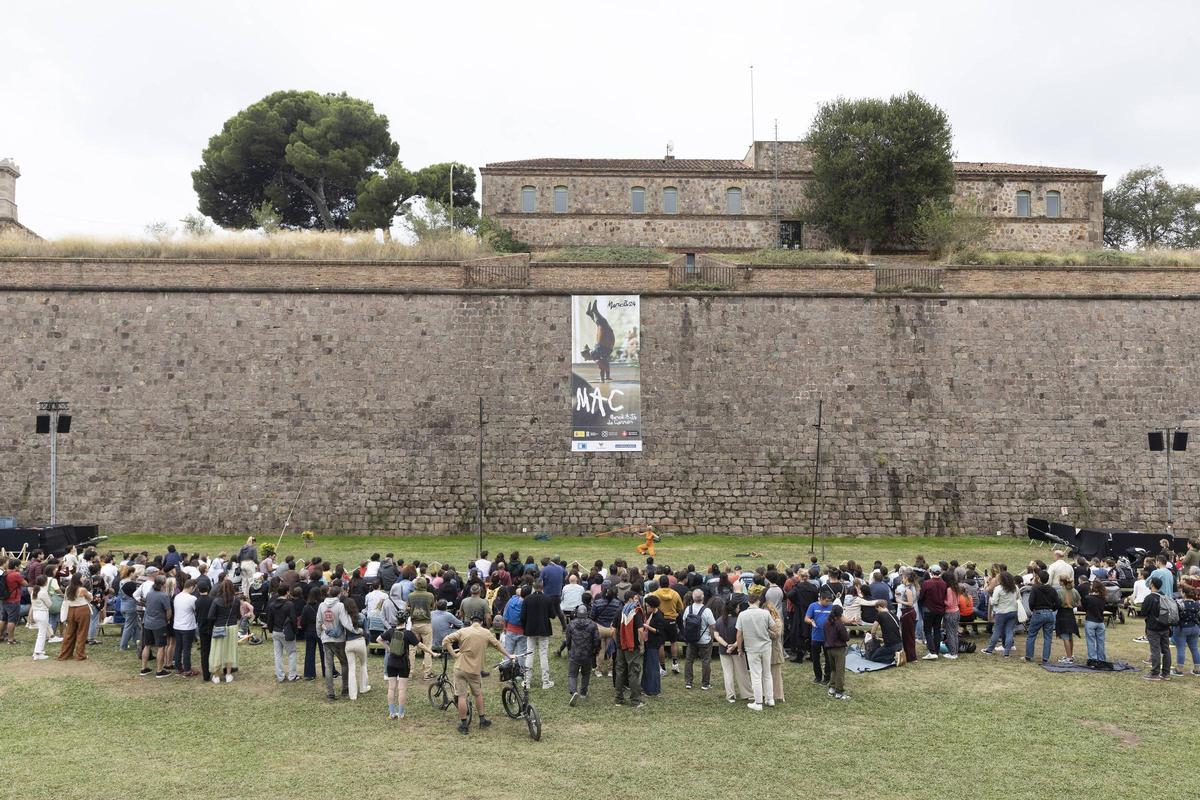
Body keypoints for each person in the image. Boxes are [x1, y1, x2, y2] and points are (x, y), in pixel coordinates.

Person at [442, 610, 510, 735]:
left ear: (471, 621)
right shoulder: (486, 633)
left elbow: (446, 640)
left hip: (460, 668)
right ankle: (482, 719)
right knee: (478, 694)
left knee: (462, 696)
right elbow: (497, 645)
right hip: (474, 670)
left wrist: (453, 654)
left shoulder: (463, 631)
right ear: (482, 622)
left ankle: (463, 724)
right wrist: (509, 655)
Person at [380, 610, 434, 719]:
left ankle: (391, 712)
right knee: (402, 689)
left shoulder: (390, 631)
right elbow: (421, 645)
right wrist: (432, 653)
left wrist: (388, 648)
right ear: (405, 621)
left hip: (391, 663)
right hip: (403, 663)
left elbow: (379, 639)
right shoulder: (408, 634)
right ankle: (400, 713)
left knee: (391, 688)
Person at [735, 592, 778, 711]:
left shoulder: (742, 615)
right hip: (765, 646)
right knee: (767, 673)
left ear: (748, 602)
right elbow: (774, 628)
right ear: (758, 601)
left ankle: (758, 702)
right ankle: (770, 699)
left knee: (756, 675)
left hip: (752, 648)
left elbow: (739, 634)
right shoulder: (765, 613)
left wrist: (739, 648)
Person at [318, 587, 355, 699]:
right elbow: (345, 622)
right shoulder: (340, 606)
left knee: (328, 666)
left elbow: (319, 622)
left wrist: (321, 635)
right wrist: (355, 631)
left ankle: (330, 692)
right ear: (338, 594)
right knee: (344, 663)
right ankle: (344, 688)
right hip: (339, 640)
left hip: (326, 639)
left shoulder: (321, 605)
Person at [613, 587, 645, 709]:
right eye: (636, 599)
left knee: (620, 671)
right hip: (632, 647)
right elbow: (640, 630)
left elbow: (613, 630)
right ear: (631, 599)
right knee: (633, 672)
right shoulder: (635, 612)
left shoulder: (619, 611)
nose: (637, 601)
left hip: (621, 646)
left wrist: (618, 643)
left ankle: (618, 698)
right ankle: (635, 700)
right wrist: (641, 644)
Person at [520, 580, 555, 689]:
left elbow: (522, 617)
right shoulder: (547, 599)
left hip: (530, 629)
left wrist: (525, 626)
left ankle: (527, 681)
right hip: (543, 629)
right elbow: (553, 615)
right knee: (543, 654)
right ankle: (545, 681)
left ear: (533, 587)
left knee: (529, 654)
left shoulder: (527, 599)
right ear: (542, 587)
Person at [680, 588, 717, 690]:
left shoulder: (688, 609)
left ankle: (688, 682)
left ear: (692, 598)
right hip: (705, 640)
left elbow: (684, 623)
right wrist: (712, 637)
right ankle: (705, 684)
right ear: (703, 598)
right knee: (705, 661)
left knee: (689, 660)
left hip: (692, 639)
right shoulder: (707, 610)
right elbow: (713, 626)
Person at [564, 606, 600, 705]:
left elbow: (568, 640)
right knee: (586, 673)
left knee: (572, 674)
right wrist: (595, 651)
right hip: (587, 654)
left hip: (575, 653)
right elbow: (597, 640)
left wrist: (569, 649)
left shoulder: (571, 624)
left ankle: (573, 691)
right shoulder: (593, 625)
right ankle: (583, 693)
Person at [1141, 576, 1174, 681]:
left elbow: (1143, 613)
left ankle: (1155, 673)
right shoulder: (1164, 596)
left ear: (1152, 584)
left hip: (1153, 627)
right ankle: (1166, 673)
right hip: (1165, 627)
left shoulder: (1149, 598)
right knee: (1166, 650)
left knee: (1155, 650)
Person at [208, 578, 241, 683]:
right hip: (232, 627)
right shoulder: (236, 600)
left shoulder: (217, 600)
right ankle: (228, 674)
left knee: (217, 651)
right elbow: (238, 615)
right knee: (230, 650)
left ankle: (216, 676)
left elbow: (210, 616)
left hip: (219, 627)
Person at [650, 575, 684, 676]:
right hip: (672, 621)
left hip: (660, 621)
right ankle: (675, 663)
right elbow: (680, 607)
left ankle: (663, 667)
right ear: (668, 584)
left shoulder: (655, 594)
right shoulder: (675, 594)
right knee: (673, 642)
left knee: (661, 644)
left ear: (659, 584)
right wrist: (675, 613)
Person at [1023, 570, 1059, 665]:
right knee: (1048, 637)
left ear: (1038, 578)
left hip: (1038, 613)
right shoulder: (1052, 589)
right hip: (1049, 613)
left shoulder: (1035, 589)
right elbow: (1058, 603)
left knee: (1031, 635)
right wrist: (1052, 608)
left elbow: (1031, 602)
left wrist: (1033, 609)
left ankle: (1029, 656)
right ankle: (1045, 658)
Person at [139, 575, 172, 677]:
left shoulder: (149, 593)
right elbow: (168, 611)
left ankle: (143, 668)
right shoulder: (164, 596)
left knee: (147, 645)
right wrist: (167, 620)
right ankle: (159, 670)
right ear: (163, 584)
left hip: (147, 622)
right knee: (161, 647)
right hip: (159, 624)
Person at [266, 584, 299, 682]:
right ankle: (292, 675)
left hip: (276, 631)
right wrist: (295, 630)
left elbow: (269, 620)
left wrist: (271, 630)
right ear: (287, 592)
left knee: (278, 654)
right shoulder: (289, 605)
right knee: (291, 653)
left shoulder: (272, 605)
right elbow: (293, 619)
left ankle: (280, 676)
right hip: (286, 631)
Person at [983, 571, 1019, 656]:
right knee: (1009, 631)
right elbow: (1018, 598)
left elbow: (994, 601)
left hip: (1001, 612)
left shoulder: (998, 588)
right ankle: (1006, 652)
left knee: (997, 631)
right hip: (1013, 611)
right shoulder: (1015, 588)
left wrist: (991, 599)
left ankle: (990, 649)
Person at [407, 578, 436, 680]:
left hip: (414, 624)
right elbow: (433, 607)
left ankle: (410, 672)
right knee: (427, 648)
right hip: (426, 624)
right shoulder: (430, 595)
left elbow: (408, 607)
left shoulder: (410, 596)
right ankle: (426, 673)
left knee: (412, 649)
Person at [342, 598, 371, 700]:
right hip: (360, 642)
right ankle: (363, 687)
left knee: (351, 669)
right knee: (363, 664)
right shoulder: (362, 616)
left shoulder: (344, 619)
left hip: (348, 643)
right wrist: (366, 642)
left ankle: (352, 694)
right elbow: (367, 632)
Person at [919, 564, 949, 660]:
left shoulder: (927, 583)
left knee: (927, 630)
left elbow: (921, 596)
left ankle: (932, 651)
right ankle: (936, 650)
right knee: (936, 630)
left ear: (931, 572)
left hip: (929, 609)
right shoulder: (944, 583)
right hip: (940, 610)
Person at [805, 591, 834, 684]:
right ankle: (818, 676)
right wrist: (811, 622)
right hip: (816, 636)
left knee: (828, 658)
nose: (828, 603)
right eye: (826, 601)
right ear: (821, 599)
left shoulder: (832, 607)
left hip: (828, 637)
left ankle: (827, 677)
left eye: (829, 601)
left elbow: (839, 618)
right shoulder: (813, 606)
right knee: (815, 658)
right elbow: (806, 618)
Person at [172, 579, 199, 677]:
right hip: (188, 626)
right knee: (187, 649)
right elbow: (196, 611)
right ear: (192, 587)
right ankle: (187, 669)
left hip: (177, 625)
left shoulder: (177, 596)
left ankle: (178, 667)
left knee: (178, 647)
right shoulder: (192, 599)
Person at [640, 595, 665, 697]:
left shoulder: (659, 616)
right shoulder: (652, 614)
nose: (647, 607)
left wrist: (647, 627)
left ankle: (654, 690)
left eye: (648, 606)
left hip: (653, 644)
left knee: (653, 667)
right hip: (649, 642)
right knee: (647, 666)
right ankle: (646, 687)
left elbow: (659, 631)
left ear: (652, 606)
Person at [824, 604, 850, 700]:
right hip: (838, 649)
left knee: (833, 669)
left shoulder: (826, 622)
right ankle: (839, 692)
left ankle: (832, 688)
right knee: (840, 671)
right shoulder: (839, 624)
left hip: (829, 649)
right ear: (840, 614)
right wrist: (847, 631)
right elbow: (846, 638)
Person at [1173, 585, 1200, 676]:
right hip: (1195, 627)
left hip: (1182, 628)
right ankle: (1197, 669)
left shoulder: (1179, 603)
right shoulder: (1197, 603)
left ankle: (1179, 670)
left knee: (1181, 648)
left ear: (1184, 593)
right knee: (1195, 648)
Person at [1081, 579, 1108, 664]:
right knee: (1101, 642)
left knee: (1091, 641)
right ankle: (1101, 659)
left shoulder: (1088, 598)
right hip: (1100, 622)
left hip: (1090, 621)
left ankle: (1092, 659)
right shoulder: (1103, 598)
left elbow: (1084, 608)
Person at [1055, 576, 1080, 664]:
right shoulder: (1075, 591)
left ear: (1062, 582)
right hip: (1071, 613)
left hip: (1062, 613)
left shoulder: (1059, 591)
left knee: (1065, 636)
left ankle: (1068, 658)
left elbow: (1056, 604)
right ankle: (1070, 655)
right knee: (1070, 635)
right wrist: (1072, 604)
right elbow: (1079, 604)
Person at [3, 558, 28, 644]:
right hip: (14, 600)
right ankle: (10, 639)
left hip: (4, 599)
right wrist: (21, 573)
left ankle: (1, 636)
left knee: (3, 619)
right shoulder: (15, 574)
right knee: (12, 620)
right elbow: (25, 583)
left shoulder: (4, 573)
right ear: (16, 566)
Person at [29, 576, 52, 660]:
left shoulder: (34, 591)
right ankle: (37, 653)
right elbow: (49, 604)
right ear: (45, 582)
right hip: (42, 613)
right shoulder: (43, 592)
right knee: (42, 634)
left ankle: (39, 651)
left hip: (36, 613)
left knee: (41, 633)